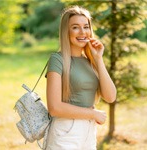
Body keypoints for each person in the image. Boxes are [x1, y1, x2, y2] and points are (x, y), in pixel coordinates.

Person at [45, 5, 116, 150]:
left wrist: (98, 59)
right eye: (75, 27)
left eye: (86, 26)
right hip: (66, 131)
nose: (82, 32)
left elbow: (110, 97)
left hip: (89, 131)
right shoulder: (57, 60)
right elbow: (54, 107)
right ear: (66, 31)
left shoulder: (91, 61)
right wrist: (93, 113)